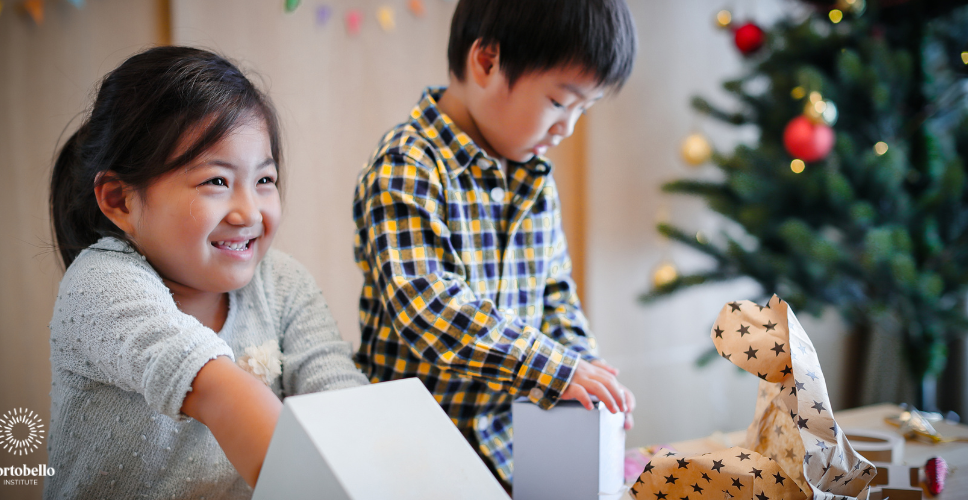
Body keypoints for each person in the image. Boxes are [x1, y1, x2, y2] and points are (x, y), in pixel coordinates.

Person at [45, 46, 367, 499]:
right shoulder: (100, 285)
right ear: (120, 200)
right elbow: (219, 391)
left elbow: (342, 406)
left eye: (265, 180)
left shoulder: (282, 282)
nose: (248, 212)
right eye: (216, 181)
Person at [352, 0, 637, 489]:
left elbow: (555, 294)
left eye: (583, 109)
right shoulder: (407, 166)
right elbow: (429, 308)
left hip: (508, 451)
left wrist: (584, 367)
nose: (568, 127)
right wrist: (553, 368)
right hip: (409, 453)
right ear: (486, 62)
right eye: (559, 102)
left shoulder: (533, 180)